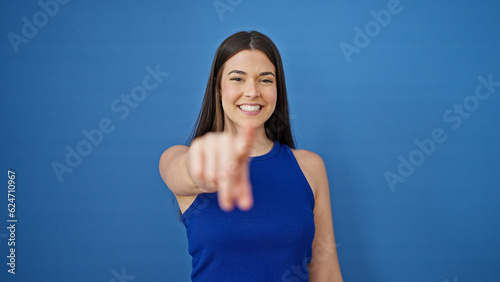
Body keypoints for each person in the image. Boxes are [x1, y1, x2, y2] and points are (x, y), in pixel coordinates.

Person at [159, 31, 343, 281]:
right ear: (218, 88)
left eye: (265, 80)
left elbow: (327, 274)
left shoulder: (310, 167)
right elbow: (184, 174)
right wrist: (204, 168)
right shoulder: (181, 157)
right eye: (238, 79)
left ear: (278, 89)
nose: (252, 92)